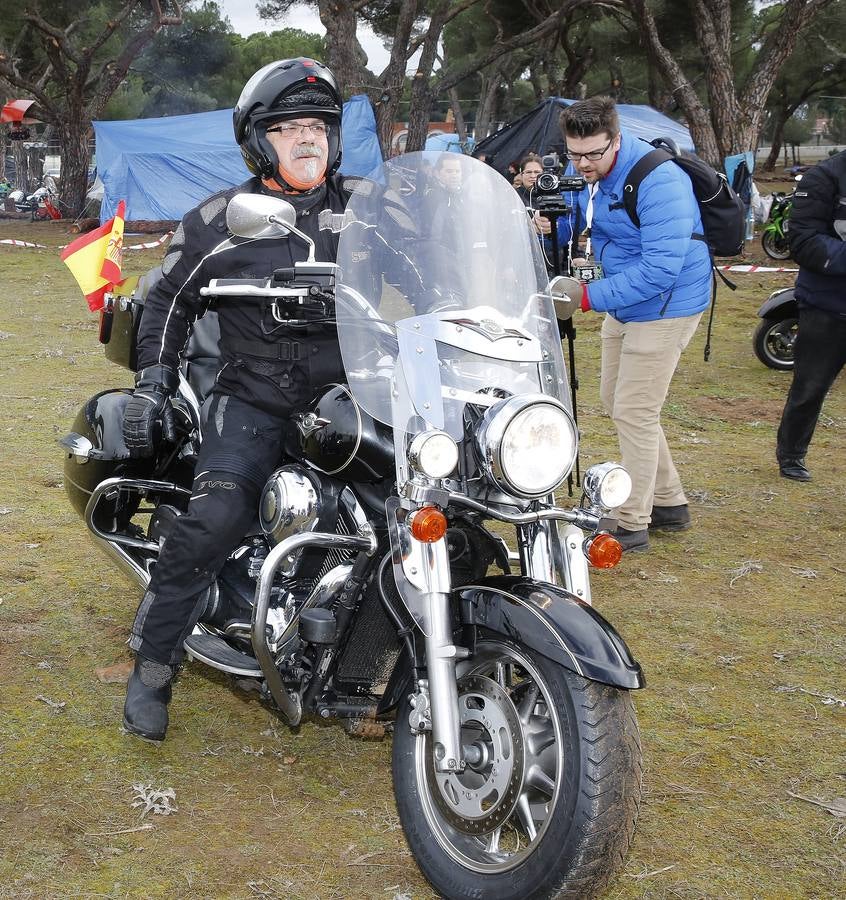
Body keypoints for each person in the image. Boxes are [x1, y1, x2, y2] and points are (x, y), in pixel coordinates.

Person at [120, 57, 353, 742]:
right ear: (259, 142)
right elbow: (166, 299)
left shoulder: (372, 209)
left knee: (421, 504)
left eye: (318, 126)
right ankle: (154, 667)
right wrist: (153, 381)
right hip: (255, 401)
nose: (307, 139)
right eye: (288, 128)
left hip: (352, 401)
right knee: (215, 519)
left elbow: (438, 277)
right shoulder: (223, 220)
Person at [560, 96, 712, 553]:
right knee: (617, 400)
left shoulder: (658, 179)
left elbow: (661, 269)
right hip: (627, 303)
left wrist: (588, 297)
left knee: (634, 410)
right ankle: (669, 503)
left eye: (593, 154)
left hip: (666, 304)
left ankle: (632, 522)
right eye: (574, 154)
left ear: (617, 140)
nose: (583, 164)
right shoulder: (601, 175)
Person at [776, 149, 846, 481]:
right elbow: (802, 241)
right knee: (809, 388)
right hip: (827, 305)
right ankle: (791, 455)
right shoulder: (824, 177)